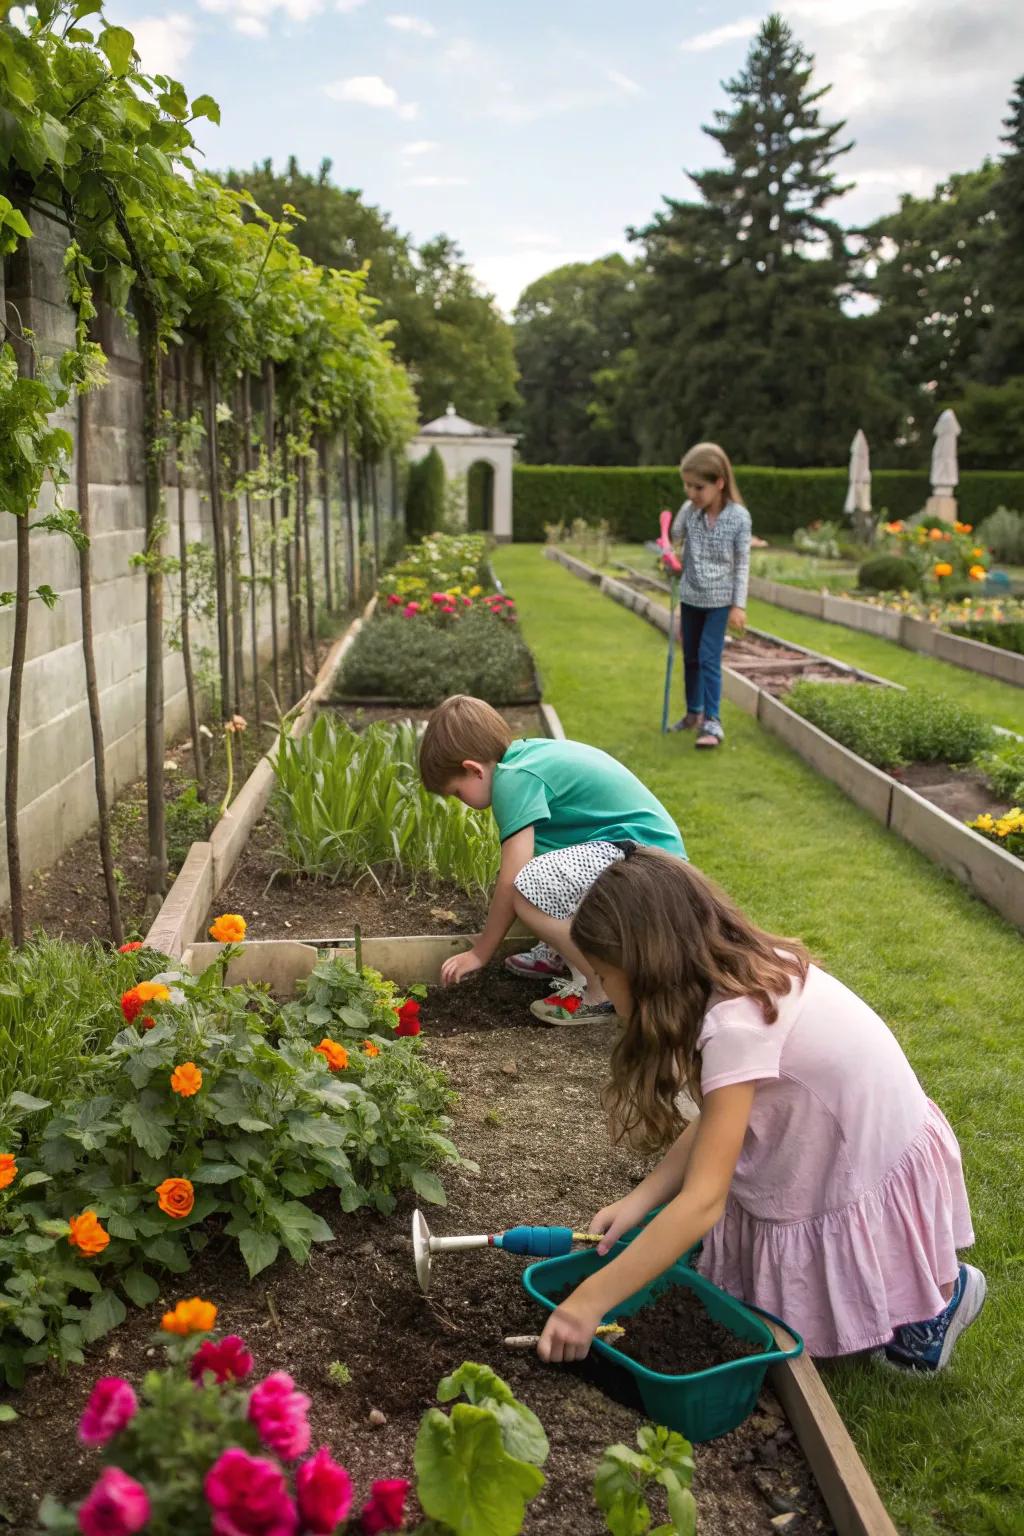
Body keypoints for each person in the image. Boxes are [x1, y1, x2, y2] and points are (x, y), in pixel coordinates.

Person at [538, 847, 983, 1370]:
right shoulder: (742, 970)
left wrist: (587, 1303)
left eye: (604, 975)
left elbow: (704, 1201)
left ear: (647, 967)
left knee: (825, 1287)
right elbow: (715, 1121)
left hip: (862, 1153)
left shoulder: (733, 1025)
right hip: (859, 1126)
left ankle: (941, 1301)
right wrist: (641, 1199)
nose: (604, 993)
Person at [418, 695, 687, 1024]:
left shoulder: (511, 780)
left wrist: (480, 951)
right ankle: (562, 953)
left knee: (523, 889)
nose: (461, 801)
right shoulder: (522, 760)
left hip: (648, 859)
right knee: (540, 872)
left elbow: (513, 880)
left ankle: (602, 990)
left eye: (457, 793)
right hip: (645, 853)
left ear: (473, 770)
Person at [666, 442, 752, 750]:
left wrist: (738, 605)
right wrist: (669, 557)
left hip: (719, 602)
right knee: (690, 658)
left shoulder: (739, 517)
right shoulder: (690, 513)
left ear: (719, 483)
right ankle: (693, 713)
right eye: (687, 486)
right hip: (690, 597)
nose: (690, 493)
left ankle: (712, 722)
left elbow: (742, 563)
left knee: (708, 658)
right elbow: (673, 541)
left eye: (698, 487)